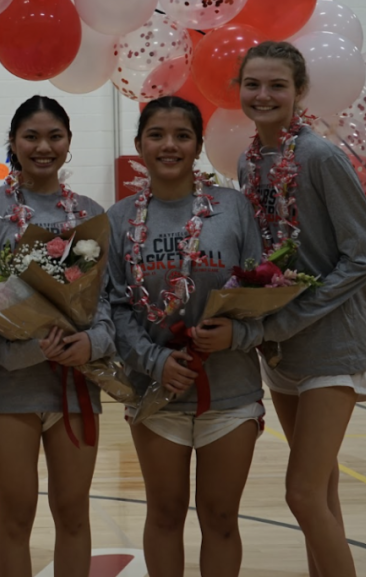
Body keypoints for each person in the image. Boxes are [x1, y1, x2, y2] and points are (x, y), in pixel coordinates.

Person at [197, 41, 366, 577]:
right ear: (240, 90)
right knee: (321, 495)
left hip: (328, 342)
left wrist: (293, 315)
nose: (263, 95)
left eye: (277, 84)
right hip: (279, 348)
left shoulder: (320, 157)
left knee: (301, 494)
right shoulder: (248, 160)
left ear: (299, 91)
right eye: (252, 84)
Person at [109, 96, 265, 577]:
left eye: (182, 135)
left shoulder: (233, 207)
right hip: (155, 395)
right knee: (165, 514)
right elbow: (114, 308)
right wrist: (155, 361)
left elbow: (264, 293)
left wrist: (236, 336)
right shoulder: (119, 218)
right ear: (139, 144)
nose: (169, 145)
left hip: (231, 392)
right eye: (157, 134)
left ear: (198, 145)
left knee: (220, 518)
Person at [0, 95, 112, 577]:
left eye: (54, 136)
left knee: (73, 513)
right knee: (16, 518)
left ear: (69, 142)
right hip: (10, 387)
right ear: (12, 142)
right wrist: (25, 348)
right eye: (31, 136)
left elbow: (106, 298)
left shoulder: (90, 213)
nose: (43, 146)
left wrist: (93, 343)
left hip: (76, 382)